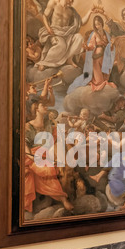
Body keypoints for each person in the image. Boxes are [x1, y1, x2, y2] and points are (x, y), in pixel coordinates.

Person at [24, 80, 74, 214]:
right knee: (45, 171)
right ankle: (63, 199)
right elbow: (25, 145)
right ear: (36, 108)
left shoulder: (48, 123)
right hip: (35, 155)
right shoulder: (28, 126)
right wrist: (31, 157)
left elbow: (57, 136)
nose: (46, 108)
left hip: (49, 153)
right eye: (43, 106)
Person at [36, 0, 94, 71]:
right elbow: (45, 16)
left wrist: (89, 12)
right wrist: (48, 28)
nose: (71, 1)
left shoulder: (71, 11)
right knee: (61, 45)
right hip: (55, 32)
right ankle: (44, 63)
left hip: (66, 33)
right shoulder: (53, 3)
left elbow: (81, 22)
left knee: (79, 37)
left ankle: (69, 59)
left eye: (72, 0)